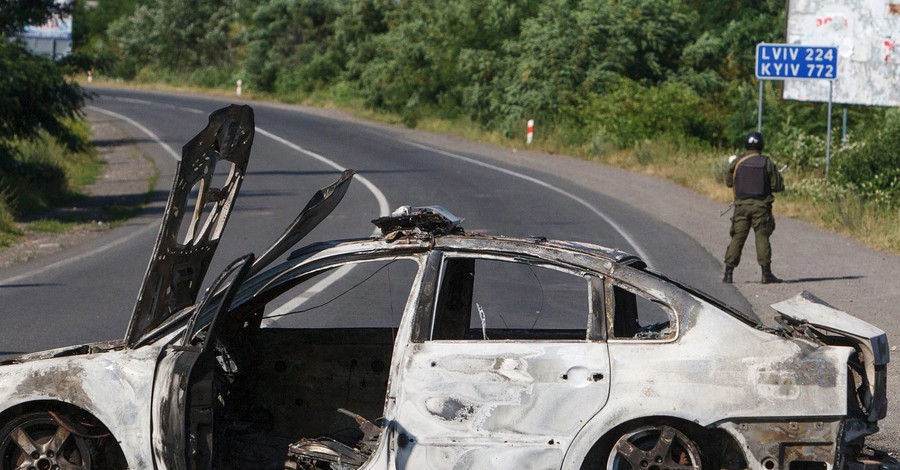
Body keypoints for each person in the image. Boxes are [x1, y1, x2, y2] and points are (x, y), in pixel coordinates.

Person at [723, 131, 784, 284]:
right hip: (761, 207)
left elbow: (729, 182)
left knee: (737, 237)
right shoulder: (766, 162)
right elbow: (777, 186)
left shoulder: (737, 161)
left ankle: (728, 273)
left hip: (741, 206)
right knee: (762, 238)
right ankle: (766, 274)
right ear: (761, 144)